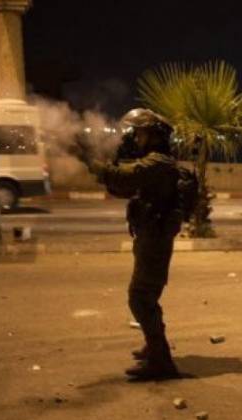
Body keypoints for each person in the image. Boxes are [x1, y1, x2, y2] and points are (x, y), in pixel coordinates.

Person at [81, 108, 182, 380]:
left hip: (155, 238)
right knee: (147, 296)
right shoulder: (154, 162)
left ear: (155, 136)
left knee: (140, 297)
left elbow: (124, 177)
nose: (137, 138)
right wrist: (106, 168)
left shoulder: (159, 163)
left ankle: (161, 361)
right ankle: (154, 347)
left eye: (141, 133)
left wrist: (94, 164)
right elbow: (123, 187)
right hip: (150, 235)